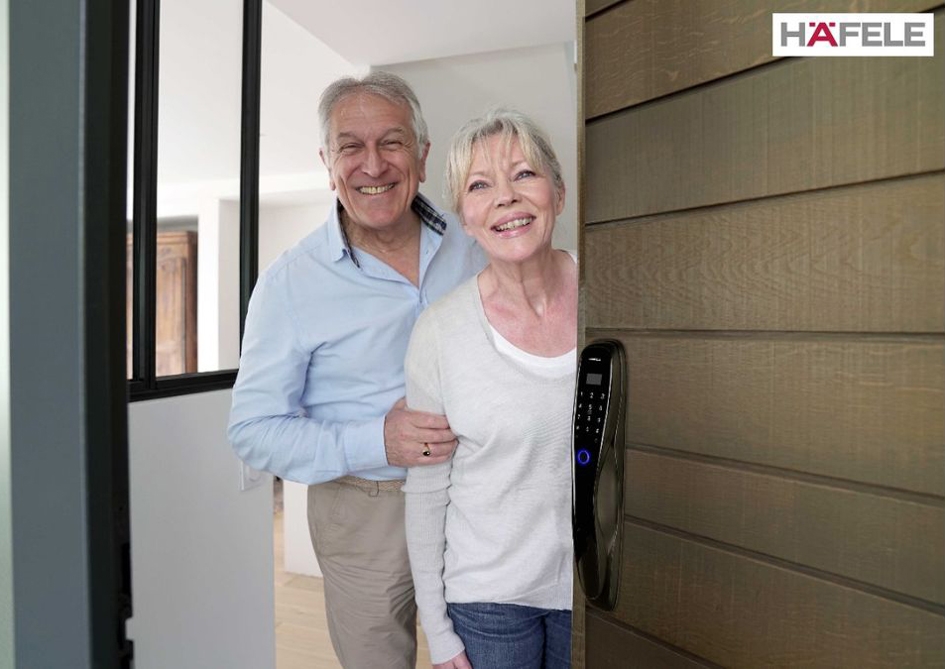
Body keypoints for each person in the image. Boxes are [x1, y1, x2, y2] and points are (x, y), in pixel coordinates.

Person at [227, 72, 486, 668]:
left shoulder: (475, 244)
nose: (374, 164)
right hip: (363, 510)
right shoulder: (289, 283)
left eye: (392, 142)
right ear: (328, 163)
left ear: (422, 154)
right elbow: (252, 430)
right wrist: (378, 440)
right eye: (351, 146)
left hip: (478, 495)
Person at [403, 109, 576, 669]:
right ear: (466, 218)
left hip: (595, 586)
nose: (505, 197)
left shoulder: (615, 298)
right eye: (480, 185)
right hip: (487, 600)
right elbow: (428, 489)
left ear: (558, 193)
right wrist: (438, 630)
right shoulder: (439, 332)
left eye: (524, 174)